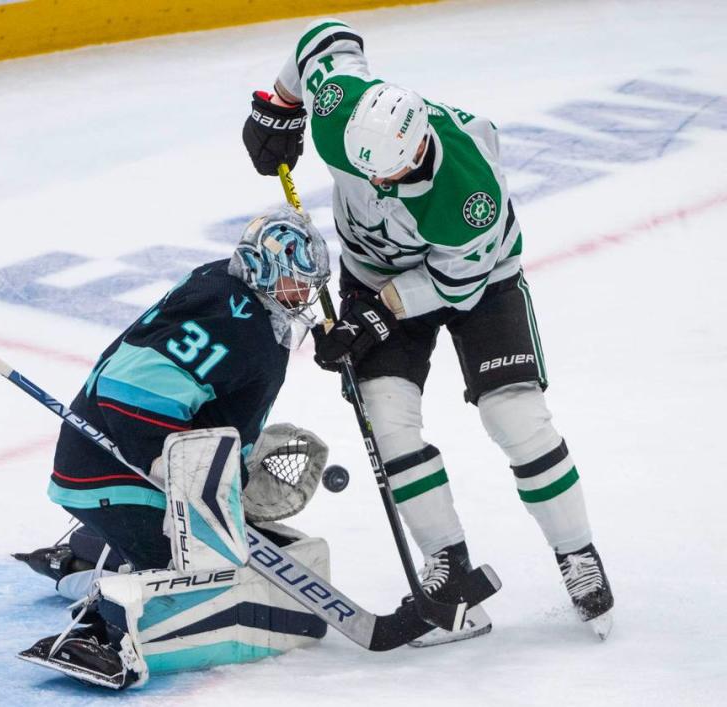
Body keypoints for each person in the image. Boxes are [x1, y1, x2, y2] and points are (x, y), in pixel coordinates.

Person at [242, 18, 614, 640]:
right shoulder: (345, 116)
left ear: (417, 151)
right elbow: (324, 41)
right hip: (373, 274)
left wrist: (372, 314)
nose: (372, 186)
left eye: (384, 177)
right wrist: (278, 108)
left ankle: (576, 551)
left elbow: (451, 286)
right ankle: (449, 561)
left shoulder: (468, 199)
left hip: (480, 280)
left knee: (514, 417)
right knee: (388, 420)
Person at [15, 207, 337, 689]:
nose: (305, 296)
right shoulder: (237, 321)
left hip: (109, 468)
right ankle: (99, 634)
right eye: (296, 282)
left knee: (220, 550)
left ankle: (88, 554)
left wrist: (236, 455)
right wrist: (171, 463)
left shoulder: (231, 292)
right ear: (265, 270)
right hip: (117, 475)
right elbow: (129, 389)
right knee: (193, 574)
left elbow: (204, 391)